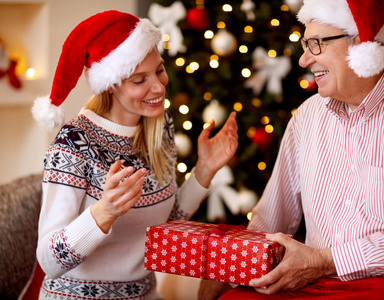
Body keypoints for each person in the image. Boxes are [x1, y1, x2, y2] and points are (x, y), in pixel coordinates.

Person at [199, 0, 384, 299]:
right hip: (311, 283)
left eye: (316, 44)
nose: (304, 60)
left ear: (361, 42)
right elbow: (271, 219)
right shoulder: (307, 116)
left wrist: (323, 262)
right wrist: (230, 269)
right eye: (306, 44)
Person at [31, 10, 238, 300]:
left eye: (159, 70)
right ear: (111, 84)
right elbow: (49, 261)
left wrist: (204, 170)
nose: (158, 86)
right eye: (139, 80)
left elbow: (163, 224)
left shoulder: (159, 126)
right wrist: (104, 213)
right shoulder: (73, 142)